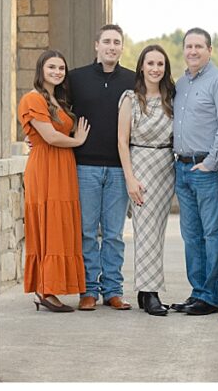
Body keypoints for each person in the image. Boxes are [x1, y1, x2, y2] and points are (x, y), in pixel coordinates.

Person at [66, 24, 136, 311]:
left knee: (113, 234)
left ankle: (113, 290)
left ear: (121, 47)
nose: (111, 46)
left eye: (116, 42)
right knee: (86, 232)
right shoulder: (76, 78)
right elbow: (59, 113)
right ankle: (88, 290)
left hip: (119, 169)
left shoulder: (133, 80)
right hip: (85, 166)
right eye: (106, 41)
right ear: (96, 45)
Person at [169, 27, 218, 316]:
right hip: (182, 168)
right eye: (189, 46)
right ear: (183, 50)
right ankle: (197, 292)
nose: (193, 51)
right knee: (191, 234)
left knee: (212, 233)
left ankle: (211, 296)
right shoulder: (180, 84)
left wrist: (212, 161)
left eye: (199, 46)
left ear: (209, 49)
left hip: (207, 169)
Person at [19, 49, 90, 313]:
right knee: (47, 224)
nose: (57, 72)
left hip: (63, 167)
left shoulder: (58, 100)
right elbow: (49, 137)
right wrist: (78, 141)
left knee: (60, 224)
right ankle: (44, 289)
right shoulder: (32, 99)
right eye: (52, 67)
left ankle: (52, 286)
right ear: (41, 70)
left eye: (61, 68)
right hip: (46, 167)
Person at [117, 44, 176, 317]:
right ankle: (150, 292)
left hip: (166, 166)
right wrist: (130, 178)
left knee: (157, 231)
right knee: (146, 231)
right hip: (140, 163)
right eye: (150, 63)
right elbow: (121, 141)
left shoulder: (171, 98)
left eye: (160, 64)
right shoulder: (130, 98)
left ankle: (145, 291)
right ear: (141, 66)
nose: (155, 69)